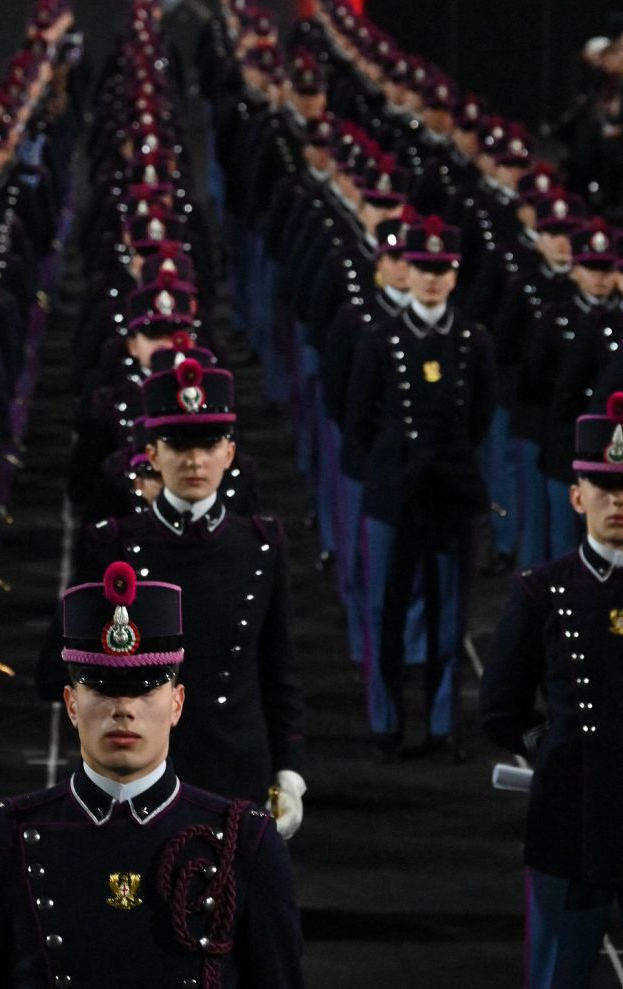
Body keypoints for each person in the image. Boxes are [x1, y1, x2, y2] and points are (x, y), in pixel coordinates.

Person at [0, 561, 305, 988]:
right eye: (102, 687)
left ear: (177, 703)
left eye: (145, 688)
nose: (124, 707)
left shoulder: (245, 843)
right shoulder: (3, 838)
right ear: (71, 704)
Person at [38, 359, 306, 829]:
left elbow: (276, 666)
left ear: (230, 454)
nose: (194, 460)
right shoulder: (113, 542)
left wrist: (289, 770)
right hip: (135, 770)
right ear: (153, 455)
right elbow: (57, 668)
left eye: (208, 444)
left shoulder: (260, 544)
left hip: (235, 768)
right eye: (178, 444)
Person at [481, 394, 623, 988]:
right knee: (558, 974)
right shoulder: (544, 589)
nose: (618, 502)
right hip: (574, 817)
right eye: (604, 488)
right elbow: (499, 707)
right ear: (576, 496)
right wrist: (556, 747)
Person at [344, 214, 497, 761]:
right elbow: (356, 417)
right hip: (394, 492)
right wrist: (386, 471)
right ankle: (387, 724)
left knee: (449, 616)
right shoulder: (380, 339)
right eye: (423, 267)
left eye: (442, 268)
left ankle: (441, 725)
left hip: (451, 491)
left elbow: (479, 416)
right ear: (406, 269)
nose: (432, 278)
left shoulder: (472, 341)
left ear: (455, 275)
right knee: (386, 610)